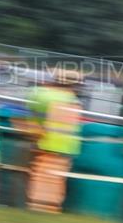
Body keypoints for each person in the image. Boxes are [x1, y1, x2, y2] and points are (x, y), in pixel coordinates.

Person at [26, 68, 83, 213]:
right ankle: (50, 208)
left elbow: (30, 111)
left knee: (38, 175)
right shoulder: (73, 100)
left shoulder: (41, 93)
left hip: (41, 140)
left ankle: (36, 206)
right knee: (56, 179)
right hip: (65, 146)